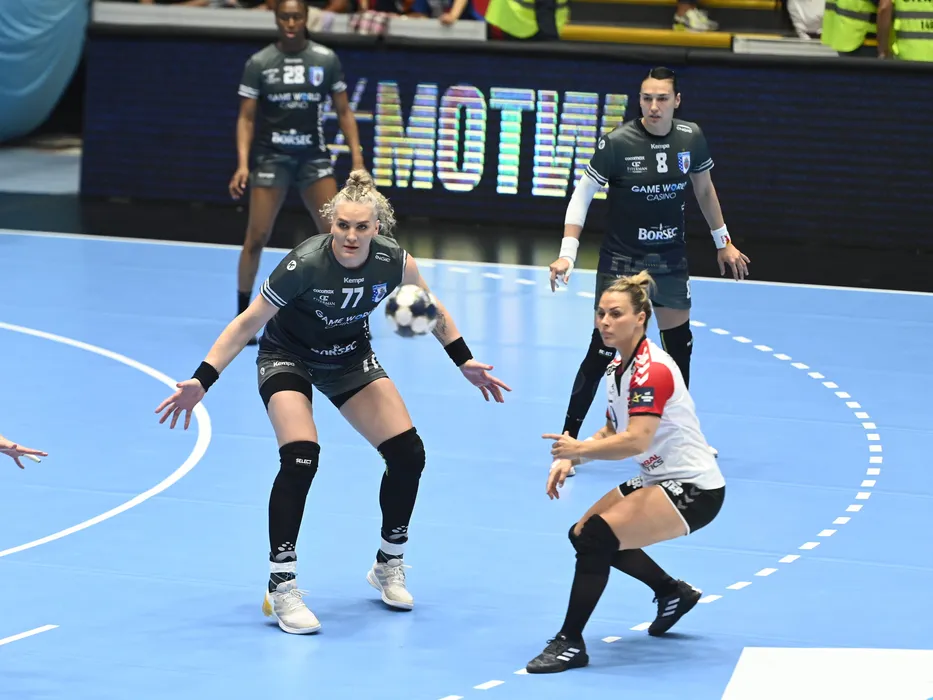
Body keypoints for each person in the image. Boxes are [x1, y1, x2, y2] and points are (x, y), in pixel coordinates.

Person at [155, 170, 511, 635]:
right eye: (342, 225)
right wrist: (203, 380)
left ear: (376, 228)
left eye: (361, 227)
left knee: (408, 454)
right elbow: (247, 323)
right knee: (301, 457)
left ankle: (388, 563)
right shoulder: (304, 264)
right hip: (288, 357)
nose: (350, 235)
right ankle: (282, 585)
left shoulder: (394, 261)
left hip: (349, 359)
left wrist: (463, 359)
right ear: (331, 224)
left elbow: (430, 307)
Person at [526, 272, 725, 674]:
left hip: (695, 488)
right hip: (659, 477)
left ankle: (570, 642)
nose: (604, 321)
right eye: (600, 313)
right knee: (583, 534)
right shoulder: (618, 367)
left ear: (641, 318)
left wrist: (578, 448)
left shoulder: (652, 370)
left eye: (615, 314)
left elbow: (636, 441)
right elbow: (613, 429)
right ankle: (671, 592)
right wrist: (572, 459)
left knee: (598, 537)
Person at [548, 66, 750, 451]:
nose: (654, 106)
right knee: (601, 352)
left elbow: (705, 190)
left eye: (661, 98)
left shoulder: (691, 137)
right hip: (622, 261)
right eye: (646, 98)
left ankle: (682, 439)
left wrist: (723, 242)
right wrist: (567, 255)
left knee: (679, 350)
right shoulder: (617, 143)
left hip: (669, 259)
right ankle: (567, 442)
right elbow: (581, 195)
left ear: (676, 101)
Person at [231, 0, 366, 345]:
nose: (291, 23)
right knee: (256, 237)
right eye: (284, 17)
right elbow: (246, 117)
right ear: (276, 19)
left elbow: (344, 112)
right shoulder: (260, 63)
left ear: (306, 19)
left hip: (312, 158)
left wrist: (357, 160)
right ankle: (243, 317)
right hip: (272, 158)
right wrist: (243, 164)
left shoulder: (325, 59)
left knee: (336, 236)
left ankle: (339, 316)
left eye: (296, 17)